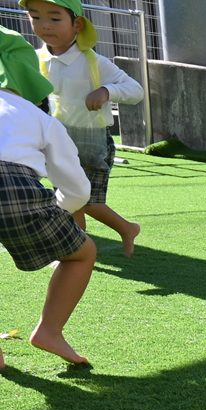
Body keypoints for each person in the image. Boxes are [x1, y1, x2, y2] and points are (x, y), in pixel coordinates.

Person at [0, 26, 94, 369]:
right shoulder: (40, 118)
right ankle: (49, 331)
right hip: (13, 190)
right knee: (82, 253)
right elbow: (78, 190)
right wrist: (55, 210)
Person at [22, 0, 143, 256]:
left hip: (92, 145)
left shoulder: (93, 62)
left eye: (55, 18)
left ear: (77, 24)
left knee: (86, 201)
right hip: (57, 144)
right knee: (70, 199)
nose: (44, 25)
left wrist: (106, 91)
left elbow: (136, 90)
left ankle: (126, 228)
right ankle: (77, 250)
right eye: (35, 17)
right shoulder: (35, 60)